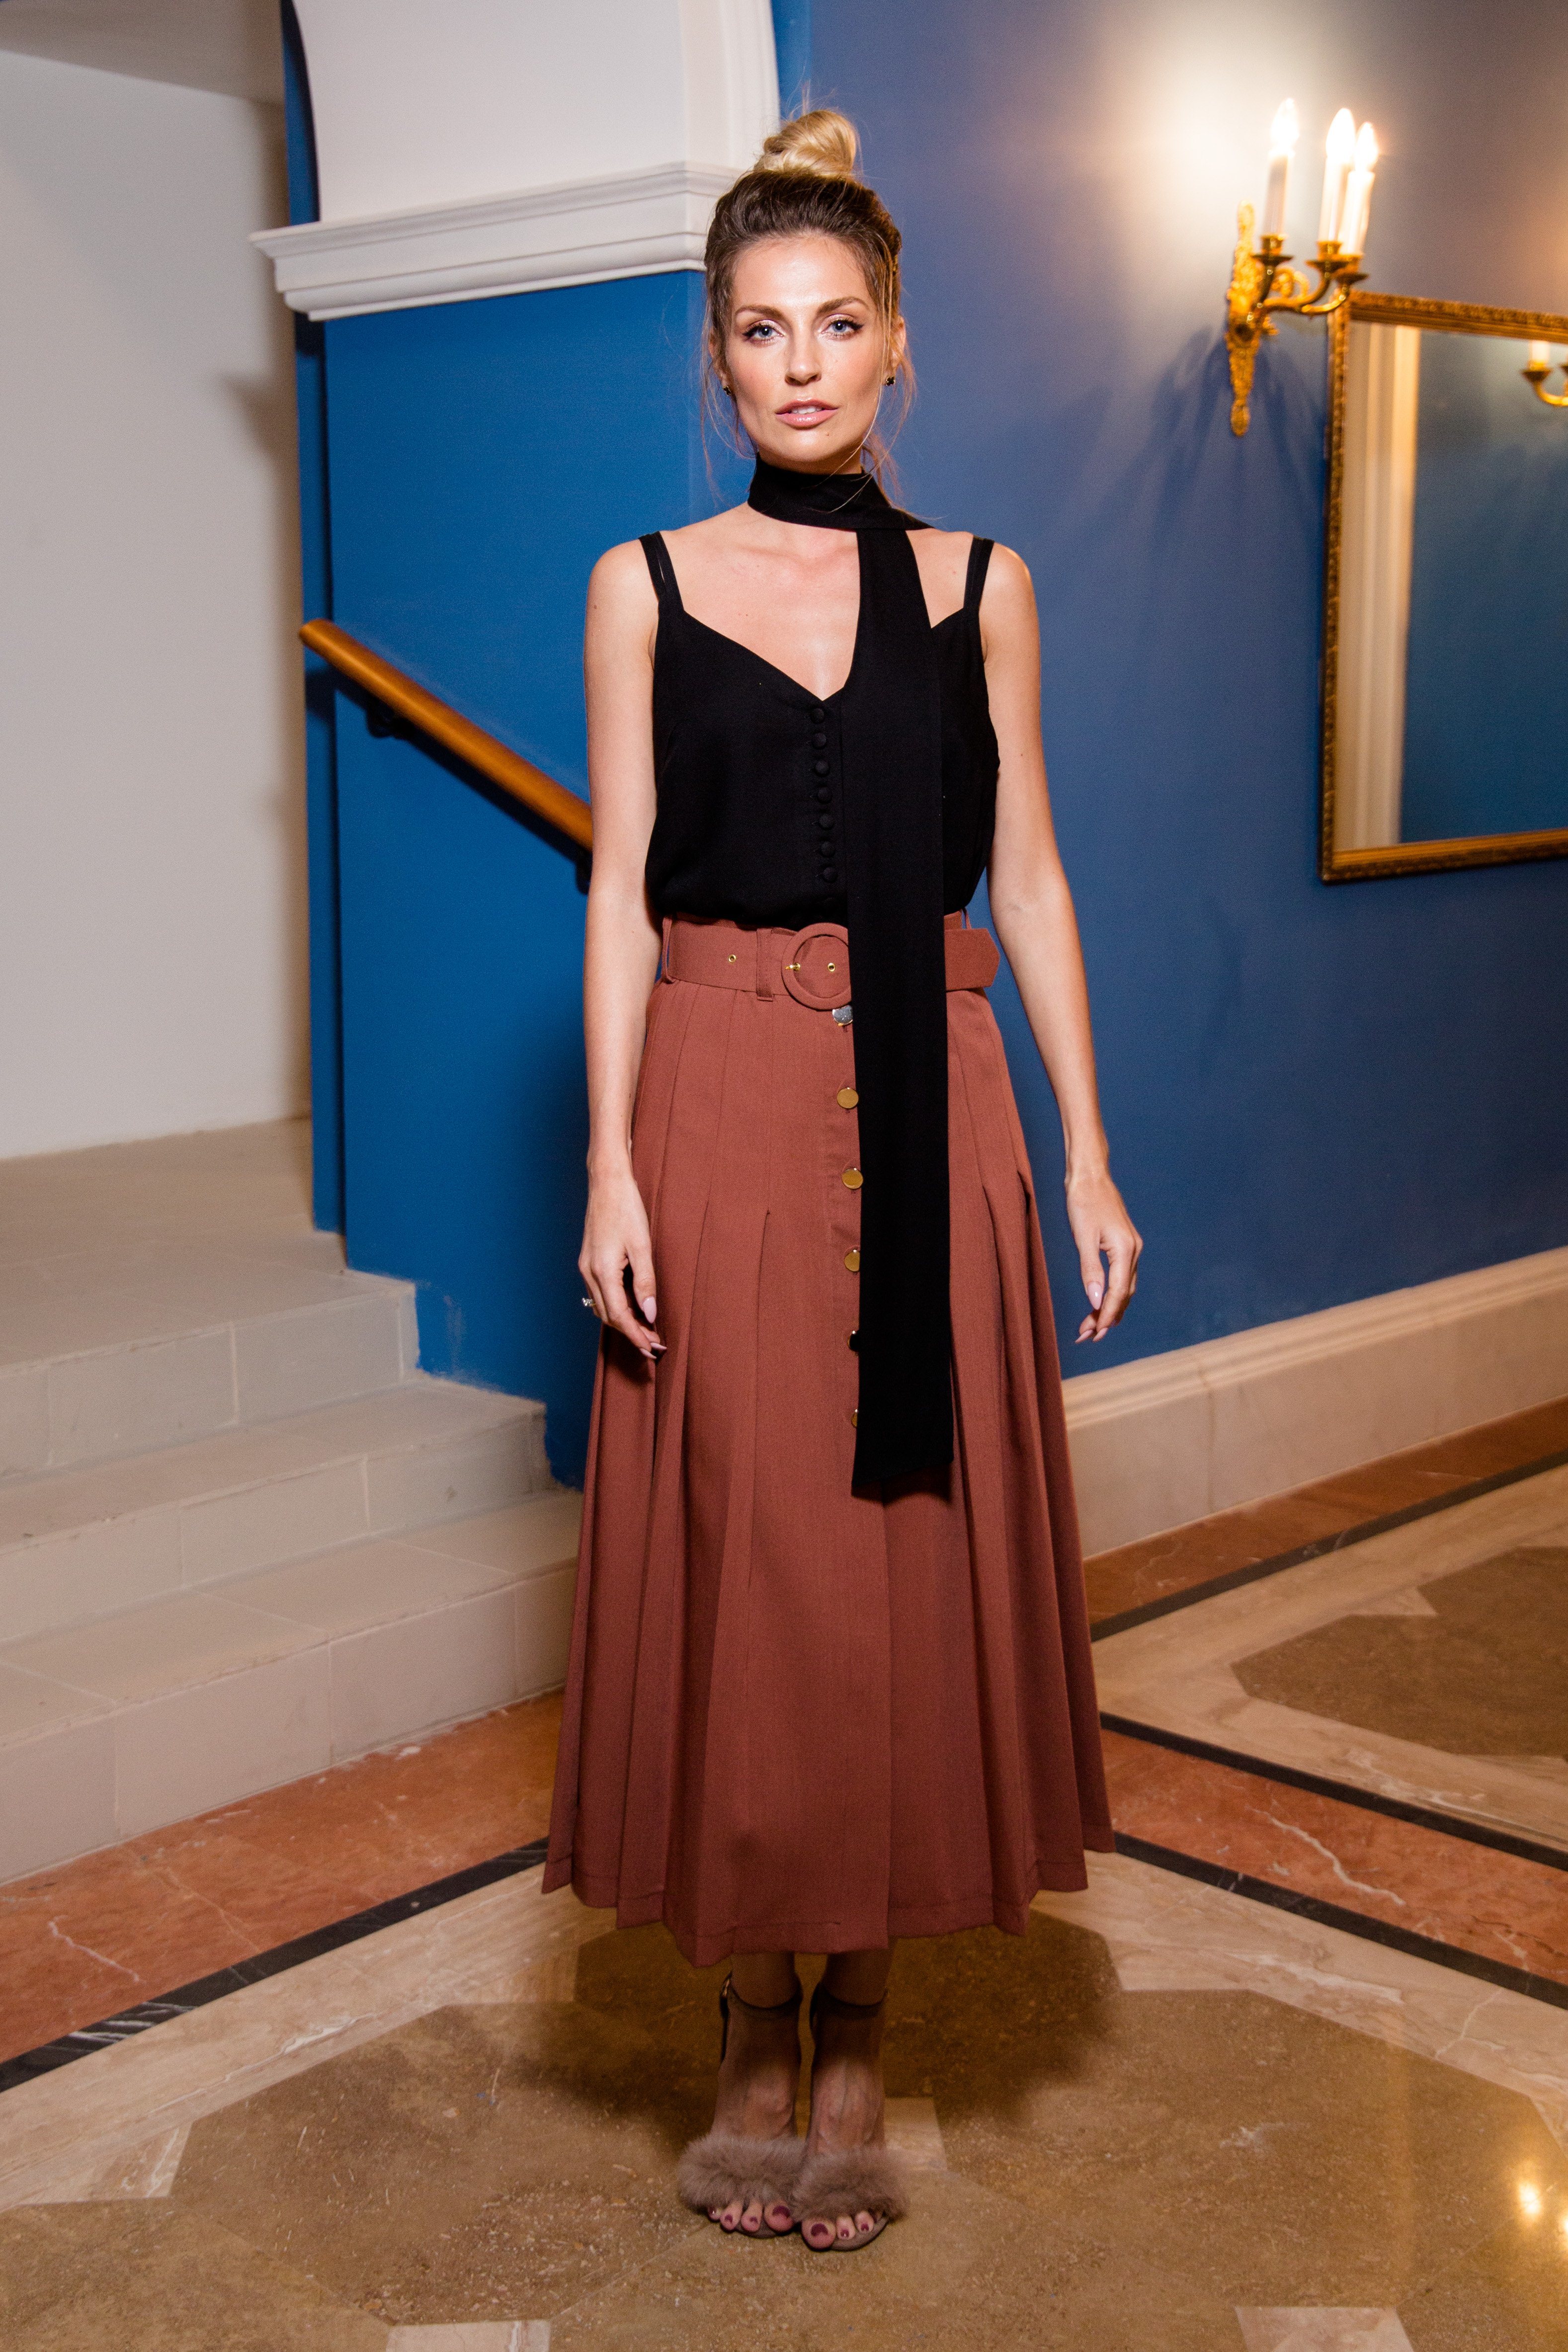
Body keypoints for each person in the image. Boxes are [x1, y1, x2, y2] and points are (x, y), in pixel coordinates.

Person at [544, 107, 1141, 2254]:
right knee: (753, 1556)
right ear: (716, 358)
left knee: (900, 1558)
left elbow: (1031, 876)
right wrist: (607, 1161)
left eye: (836, 324)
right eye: (760, 330)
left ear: (897, 344)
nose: (800, 364)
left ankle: (861, 2029)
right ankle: (747, 2023)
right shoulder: (640, 585)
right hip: (709, 1091)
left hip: (934, 1096)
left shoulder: (985, 588)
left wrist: (1087, 1149)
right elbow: (620, 887)